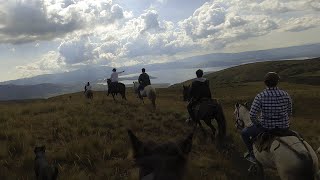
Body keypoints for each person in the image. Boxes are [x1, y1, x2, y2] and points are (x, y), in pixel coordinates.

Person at [241, 72, 292, 163]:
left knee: (244, 132)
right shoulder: (286, 94)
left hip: (266, 127)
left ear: (265, 83)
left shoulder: (260, 96)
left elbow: (252, 115)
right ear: (277, 82)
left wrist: (258, 125)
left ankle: (252, 154)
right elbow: (289, 112)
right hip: (284, 127)